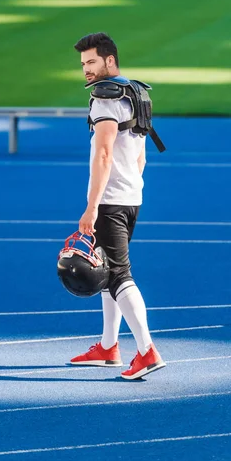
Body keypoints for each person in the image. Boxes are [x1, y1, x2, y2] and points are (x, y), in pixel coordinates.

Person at [70, 32, 165, 380]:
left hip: (110, 201)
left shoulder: (104, 98)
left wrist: (92, 207)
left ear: (110, 60)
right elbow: (140, 156)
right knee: (107, 272)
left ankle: (146, 351)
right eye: (83, 65)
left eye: (91, 62)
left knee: (119, 276)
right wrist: (130, 187)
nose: (86, 70)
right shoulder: (135, 92)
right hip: (131, 196)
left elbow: (104, 152)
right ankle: (109, 346)